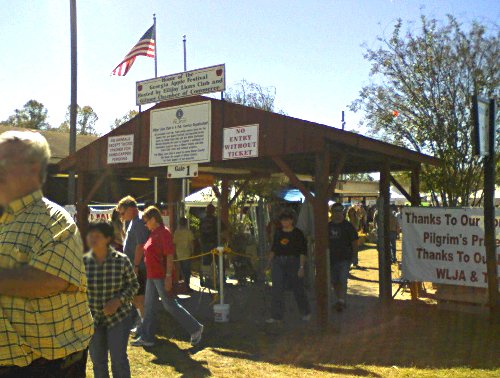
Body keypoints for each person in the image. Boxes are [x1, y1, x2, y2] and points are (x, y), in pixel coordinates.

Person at [0, 131, 93, 377]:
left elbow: (49, 281)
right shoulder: (3, 220)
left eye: (4, 161)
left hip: (49, 367)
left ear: (33, 169)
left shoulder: (53, 219)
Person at [131, 206, 203, 347]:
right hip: (152, 276)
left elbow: (169, 255)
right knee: (149, 306)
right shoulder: (153, 233)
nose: (145, 225)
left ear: (153, 219)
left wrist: (169, 276)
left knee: (169, 305)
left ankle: (195, 328)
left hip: (161, 275)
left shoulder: (164, 233)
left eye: (146, 221)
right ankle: (147, 337)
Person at [84, 222, 139, 378]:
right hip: (93, 320)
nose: (92, 239)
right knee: (98, 362)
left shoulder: (121, 260)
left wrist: (118, 300)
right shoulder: (84, 263)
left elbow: (133, 285)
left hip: (118, 319)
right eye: (90, 236)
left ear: (108, 238)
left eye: (97, 236)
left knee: (118, 360)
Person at [266, 209, 311, 323]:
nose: (284, 222)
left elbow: (302, 251)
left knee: (297, 287)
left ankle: (305, 312)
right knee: (277, 289)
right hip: (279, 262)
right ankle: (276, 316)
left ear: (291, 220)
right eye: (282, 220)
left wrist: (301, 267)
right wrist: (269, 263)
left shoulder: (298, 233)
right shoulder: (278, 233)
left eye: (287, 220)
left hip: (294, 261)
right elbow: (274, 249)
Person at [117, 196, 149, 333]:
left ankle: (145, 326)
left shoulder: (139, 221)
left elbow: (140, 245)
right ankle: (142, 323)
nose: (121, 216)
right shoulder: (133, 221)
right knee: (135, 298)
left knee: (139, 299)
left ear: (131, 209)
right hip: (134, 267)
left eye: (122, 213)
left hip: (139, 268)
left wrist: (135, 266)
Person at [328, 202, 359, 312]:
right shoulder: (328, 226)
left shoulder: (348, 226)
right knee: (334, 281)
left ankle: (341, 300)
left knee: (342, 279)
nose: (337, 213)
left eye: (339, 211)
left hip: (345, 258)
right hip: (331, 259)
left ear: (343, 212)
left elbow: (354, 242)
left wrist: (355, 256)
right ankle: (338, 299)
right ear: (332, 213)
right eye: (335, 211)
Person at [174, 217, 195, 292]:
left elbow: (174, 243)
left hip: (178, 254)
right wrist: (193, 252)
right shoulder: (188, 232)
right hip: (186, 254)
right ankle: (187, 287)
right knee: (187, 271)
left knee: (179, 271)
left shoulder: (176, 232)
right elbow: (192, 243)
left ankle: (179, 287)